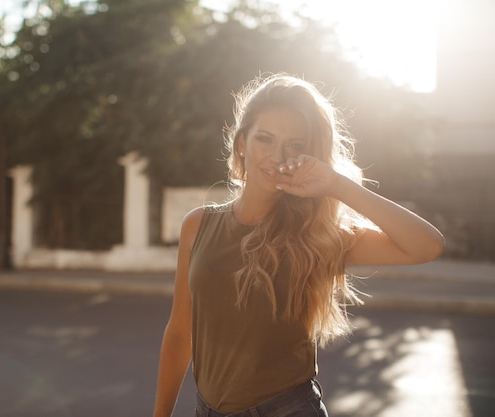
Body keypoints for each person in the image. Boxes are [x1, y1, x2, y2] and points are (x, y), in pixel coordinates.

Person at [152, 73, 445, 417]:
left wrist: (336, 184)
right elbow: (179, 332)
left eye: (294, 145)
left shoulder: (317, 235)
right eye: (265, 139)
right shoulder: (198, 225)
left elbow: (426, 246)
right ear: (242, 143)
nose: (277, 157)